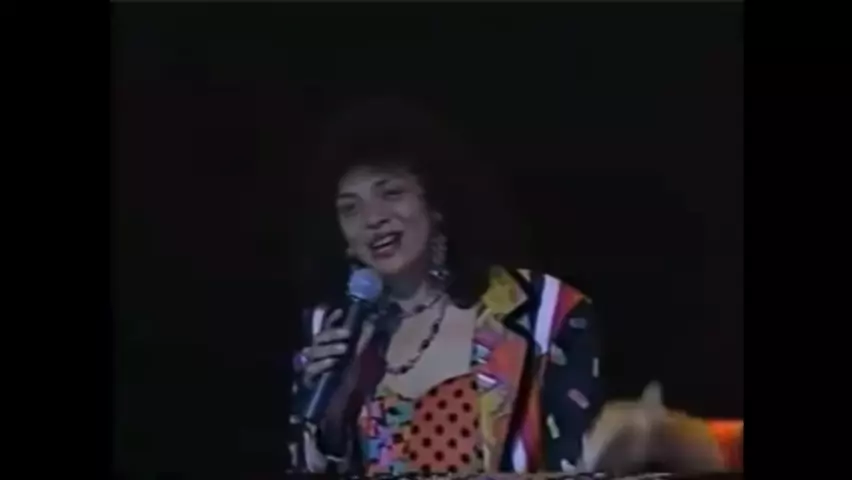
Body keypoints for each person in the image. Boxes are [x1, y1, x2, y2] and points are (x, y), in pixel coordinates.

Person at [286, 97, 603, 476]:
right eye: (350, 208)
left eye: (391, 193)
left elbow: (580, 464)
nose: (373, 219)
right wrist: (333, 414)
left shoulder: (543, 311)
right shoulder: (331, 330)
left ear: (436, 203)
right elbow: (306, 469)